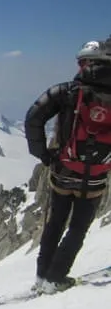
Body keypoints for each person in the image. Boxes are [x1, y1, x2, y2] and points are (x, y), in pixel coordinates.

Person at [25, 39, 111, 294]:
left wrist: (44, 154)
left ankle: (43, 277)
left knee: (55, 224)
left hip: (64, 171)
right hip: (95, 177)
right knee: (78, 229)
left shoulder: (68, 91)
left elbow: (34, 117)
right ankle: (57, 276)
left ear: (85, 63)